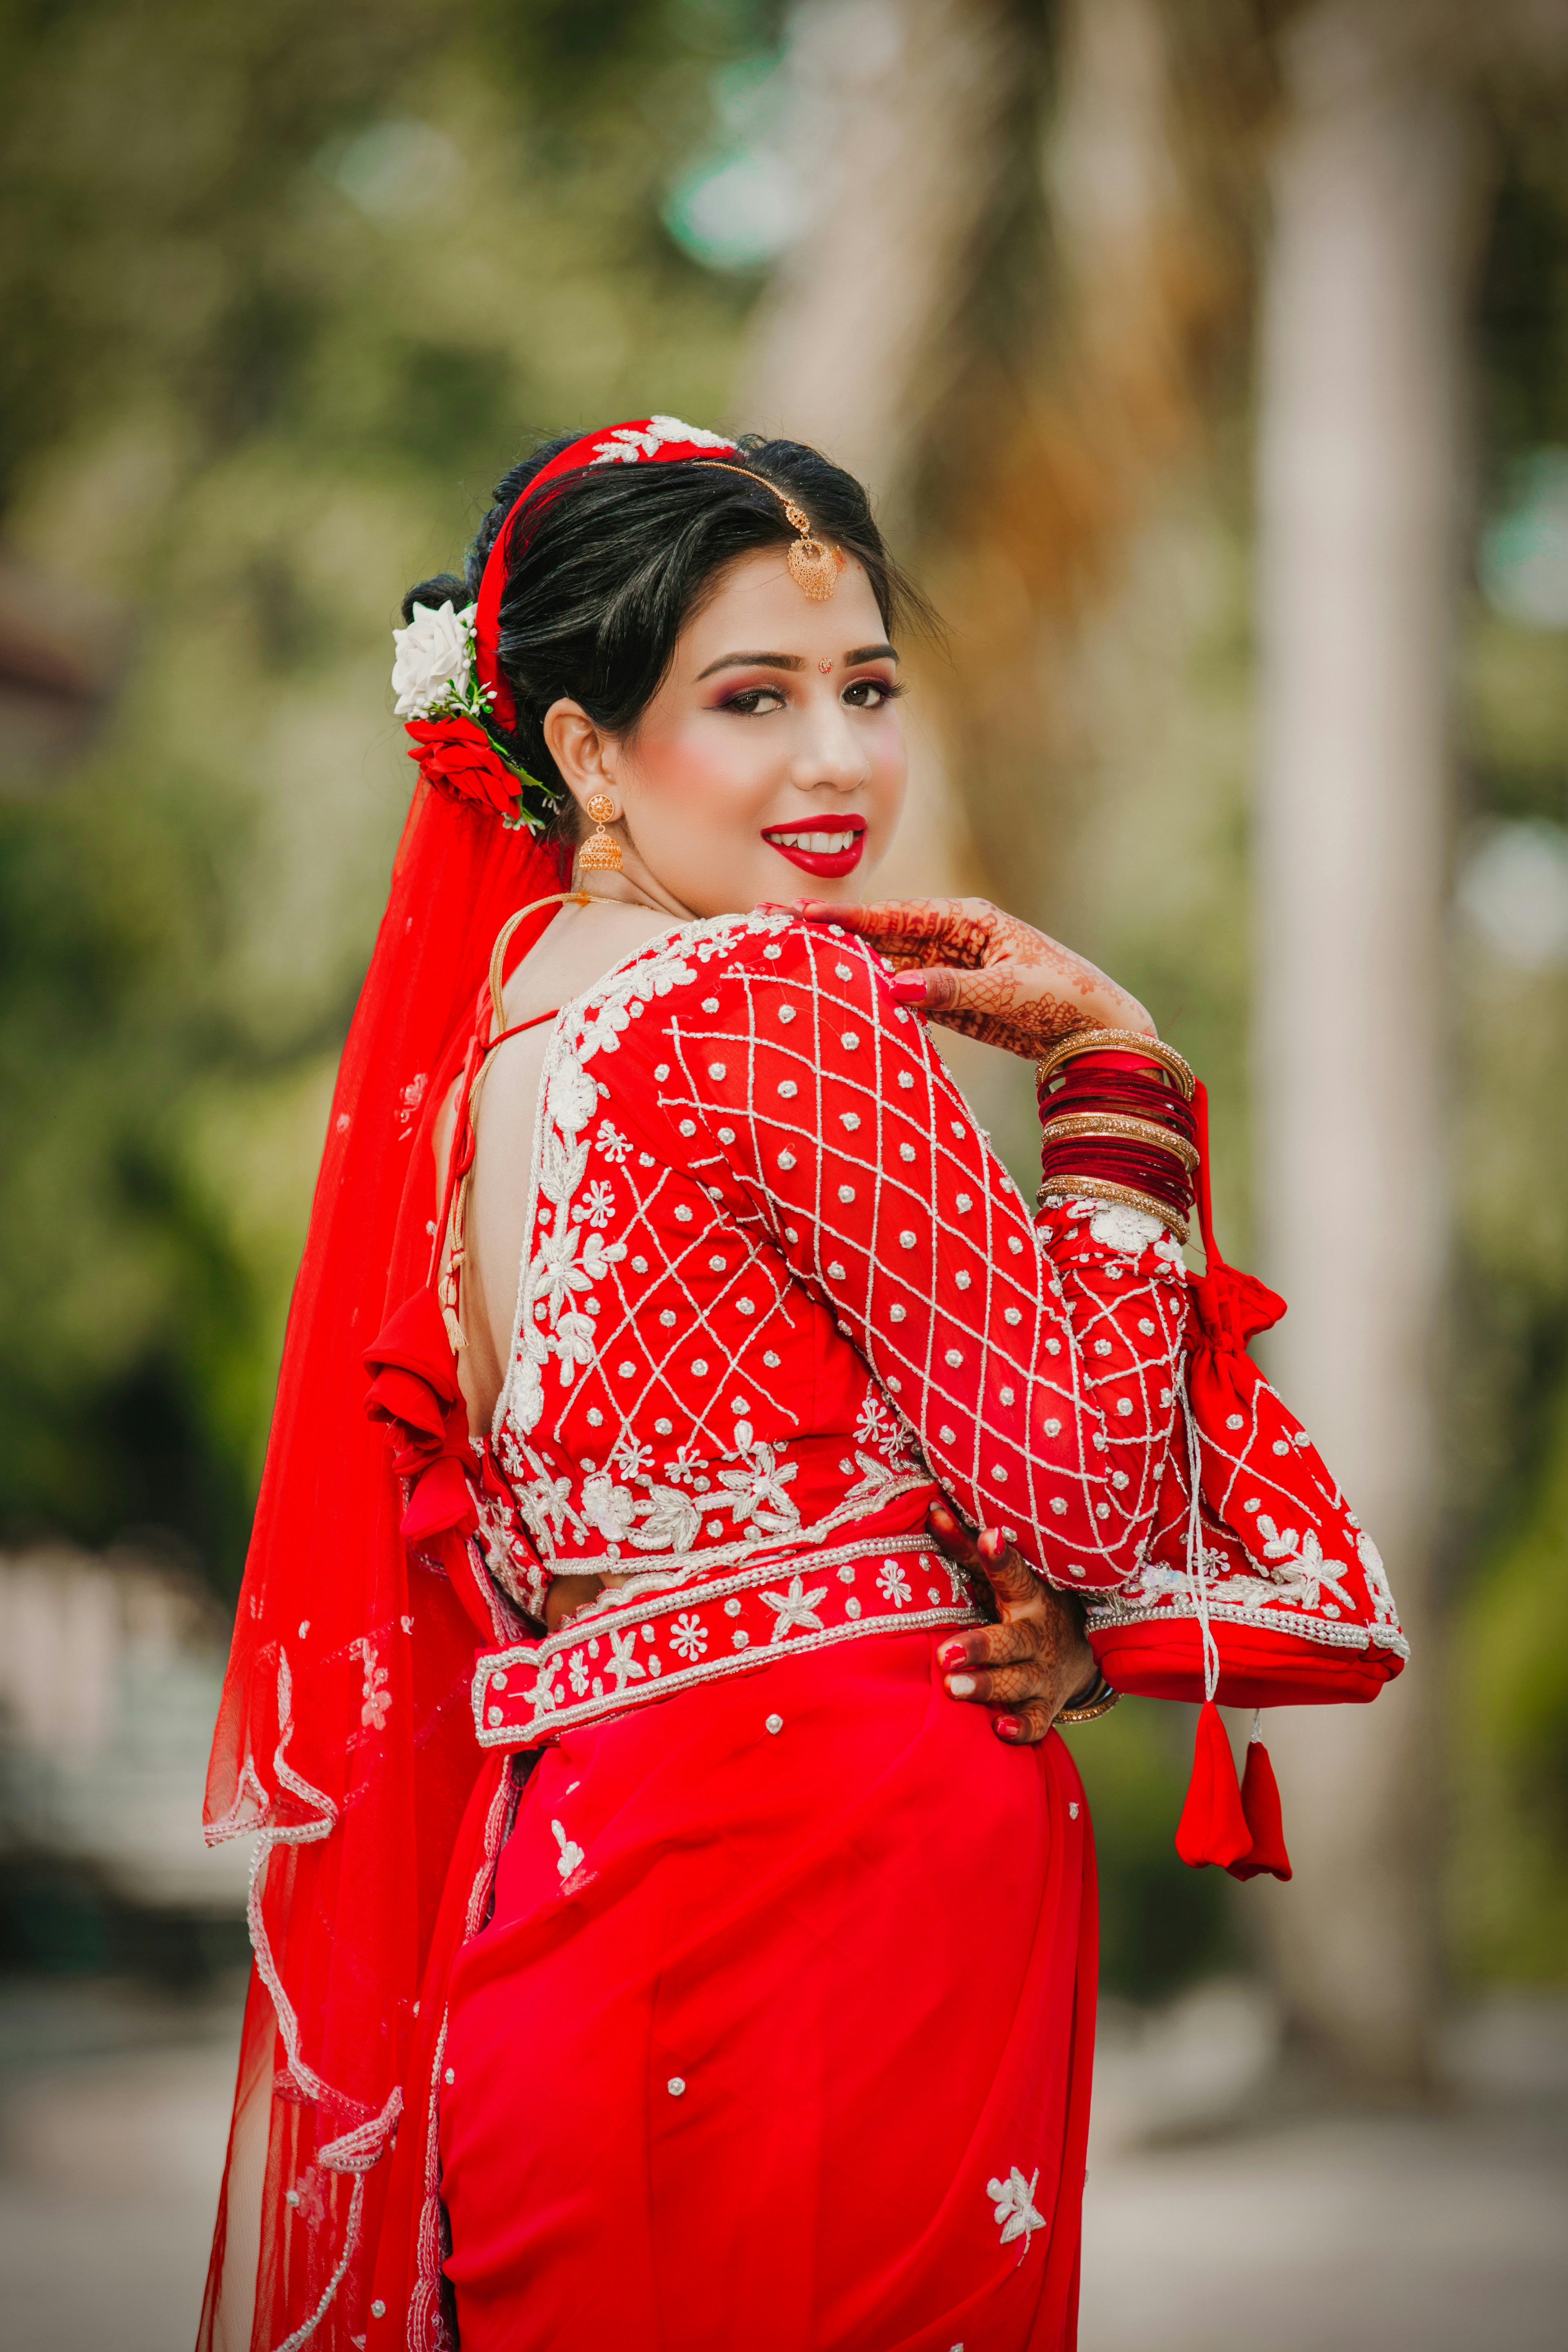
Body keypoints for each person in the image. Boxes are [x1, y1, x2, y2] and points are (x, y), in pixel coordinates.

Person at [199, 420, 1405, 2352]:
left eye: (868, 688)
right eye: (751, 698)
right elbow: (1091, 1494)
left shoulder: (488, 1045)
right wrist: (1114, 1074)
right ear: (586, 747)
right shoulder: (763, 998)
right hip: (821, 1909)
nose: (837, 760)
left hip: (573, 1894)